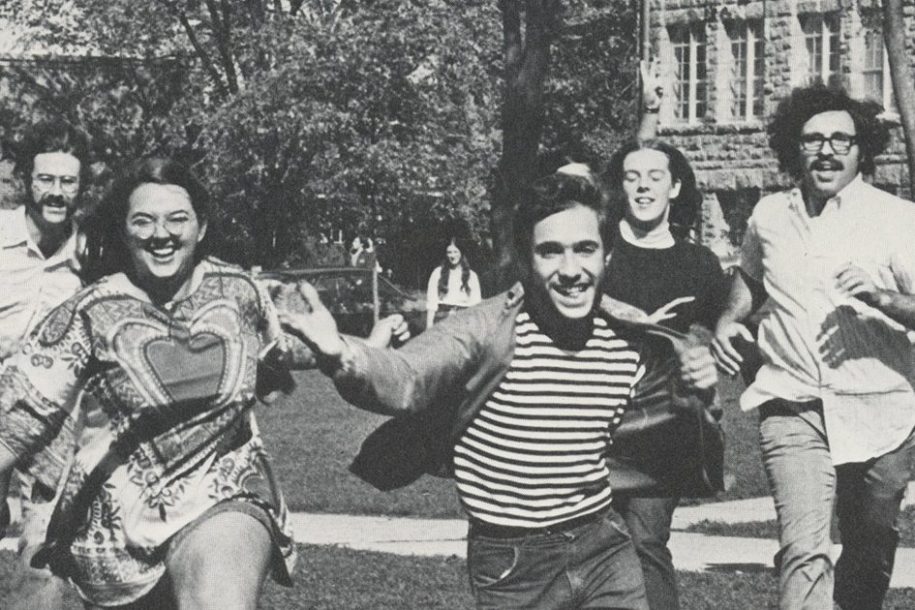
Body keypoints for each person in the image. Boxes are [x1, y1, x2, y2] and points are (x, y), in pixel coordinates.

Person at [280, 170, 718, 609]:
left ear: (607, 258)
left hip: (601, 543)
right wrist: (341, 353)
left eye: (585, 249)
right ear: (527, 261)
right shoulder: (487, 329)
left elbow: (674, 413)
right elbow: (408, 376)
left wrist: (700, 383)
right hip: (513, 563)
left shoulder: (628, 339)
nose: (571, 270)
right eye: (551, 252)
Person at [0, 158, 309, 609]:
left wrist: (352, 349)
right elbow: (18, 416)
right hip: (114, 533)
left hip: (224, 493)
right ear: (124, 233)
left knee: (216, 598)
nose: (160, 234)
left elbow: (284, 356)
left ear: (201, 227)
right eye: (143, 221)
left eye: (176, 219)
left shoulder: (242, 292)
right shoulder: (90, 313)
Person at [710, 84, 915, 610]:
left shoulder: (897, 218)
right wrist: (731, 319)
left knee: (869, 547)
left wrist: (884, 297)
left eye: (840, 140)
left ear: (861, 149)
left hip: (880, 409)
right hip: (792, 403)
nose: (826, 150)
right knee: (803, 549)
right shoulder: (768, 216)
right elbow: (749, 279)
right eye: (813, 140)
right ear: (793, 148)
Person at [598, 138, 727, 610]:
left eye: (655, 177)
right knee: (590, 545)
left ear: (675, 188)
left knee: (646, 540)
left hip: (663, 428)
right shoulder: (600, 252)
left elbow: (718, 334)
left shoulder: (699, 263)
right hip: (593, 418)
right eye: (632, 178)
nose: (643, 187)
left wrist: (705, 354)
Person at [0, 118, 92, 609]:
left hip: (53, 427)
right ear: (26, 182)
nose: (56, 193)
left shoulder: (92, 255)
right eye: (46, 180)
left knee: (43, 554)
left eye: (68, 181)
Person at [425, 237, 482, 327]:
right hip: (442, 320)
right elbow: (431, 304)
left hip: (463, 321)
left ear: (461, 253)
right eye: (449, 252)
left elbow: (476, 305)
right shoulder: (437, 273)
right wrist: (429, 328)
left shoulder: (472, 276)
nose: (452, 256)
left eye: (455, 252)